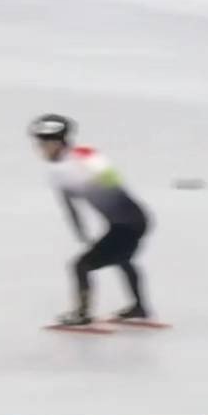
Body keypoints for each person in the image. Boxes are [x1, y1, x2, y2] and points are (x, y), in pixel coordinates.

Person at [28, 114, 156, 328]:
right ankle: (139, 307)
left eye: (42, 145)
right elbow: (111, 184)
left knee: (81, 265)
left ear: (56, 143)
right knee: (123, 259)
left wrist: (81, 229)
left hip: (125, 225)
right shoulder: (85, 155)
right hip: (134, 219)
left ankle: (82, 314)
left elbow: (104, 189)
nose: (40, 150)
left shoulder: (64, 168)